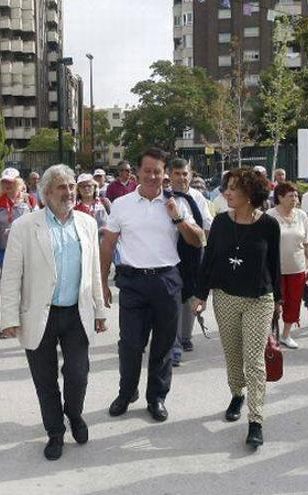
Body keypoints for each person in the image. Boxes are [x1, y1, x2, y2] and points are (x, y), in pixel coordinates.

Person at [1, 165, 108, 460]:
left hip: (76, 313)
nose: (69, 192)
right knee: (45, 380)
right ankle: (55, 432)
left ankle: (74, 414)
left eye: (72, 186)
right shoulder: (25, 226)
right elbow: (11, 275)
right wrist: (9, 319)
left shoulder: (86, 223)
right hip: (39, 315)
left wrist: (99, 310)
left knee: (78, 373)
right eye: (62, 187)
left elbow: (94, 272)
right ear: (46, 193)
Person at [100, 148, 204, 422]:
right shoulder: (121, 204)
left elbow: (197, 240)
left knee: (163, 345)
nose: (152, 176)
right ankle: (127, 392)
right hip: (132, 282)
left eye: (158, 171)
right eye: (147, 170)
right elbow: (108, 245)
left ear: (164, 174)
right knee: (130, 345)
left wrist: (178, 219)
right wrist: (102, 283)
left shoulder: (176, 203)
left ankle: (156, 397)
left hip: (166, 280)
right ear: (137, 173)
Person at [192, 168, 280, 448]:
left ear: (250, 193)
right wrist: (200, 295)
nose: (225, 192)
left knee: (254, 360)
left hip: (259, 299)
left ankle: (256, 419)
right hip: (225, 297)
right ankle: (237, 394)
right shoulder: (219, 222)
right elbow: (209, 261)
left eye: (232, 188)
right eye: (225, 187)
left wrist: (278, 300)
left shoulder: (269, 225)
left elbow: (274, 264)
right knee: (232, 354)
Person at [168, 158, 211, 365]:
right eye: (177, 173)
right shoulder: (164, 198)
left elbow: (207, 226)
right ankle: (173, 343)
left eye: (185, 173)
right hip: (170, 253)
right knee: (173, 298)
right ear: (169, 175)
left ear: (191, 175)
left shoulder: (198, 198)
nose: (182, 177)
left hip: (194, 253)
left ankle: (186, 336)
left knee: (191, 297)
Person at [267, 182, 308, 349]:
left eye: (296, 195)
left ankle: (286, 335)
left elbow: (306, 242)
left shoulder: (302, 215)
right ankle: (269, 336)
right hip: (274, 270)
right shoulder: (270, 215)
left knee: (293, 302)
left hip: (297, 268)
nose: (295, 199)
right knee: (273, 304)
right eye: (290, 196)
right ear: (279, 197)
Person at [0, 168, 36, 270]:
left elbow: (37, 224)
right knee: (8, 281)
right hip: (4, 249)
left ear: (18, 183)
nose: (7, 185)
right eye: (4, 182)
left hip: (25, 249)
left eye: (11, 182)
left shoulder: (29, 200)